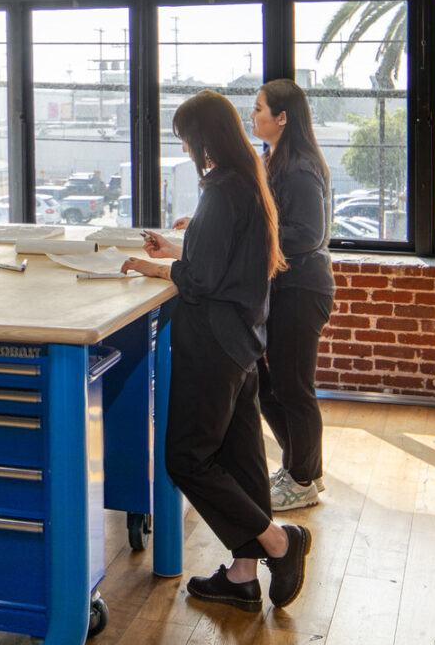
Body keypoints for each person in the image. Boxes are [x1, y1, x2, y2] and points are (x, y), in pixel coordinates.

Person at [121, 91, 312, 612]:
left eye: (186, 139)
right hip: (243, 341)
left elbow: (202, 278)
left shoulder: (222, 187)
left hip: (213, 342)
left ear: (204, 137)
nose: (186, 149)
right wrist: (175, 252)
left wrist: (159, 268)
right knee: (242, 459)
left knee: (185, 458)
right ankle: (243, 575)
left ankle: (279, 542)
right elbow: (221, 260)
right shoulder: (247, 179)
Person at [251, 80, 335, 511]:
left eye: (259, 108)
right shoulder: (274, 159)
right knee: (271, 385)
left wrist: (253, 231)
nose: (253, 116)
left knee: (294, 389)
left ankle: (302, 479)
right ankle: (303, 469)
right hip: (284, 287)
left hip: (303, 289)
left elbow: (308, 233)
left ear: (282, 118)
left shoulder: (300, 167)